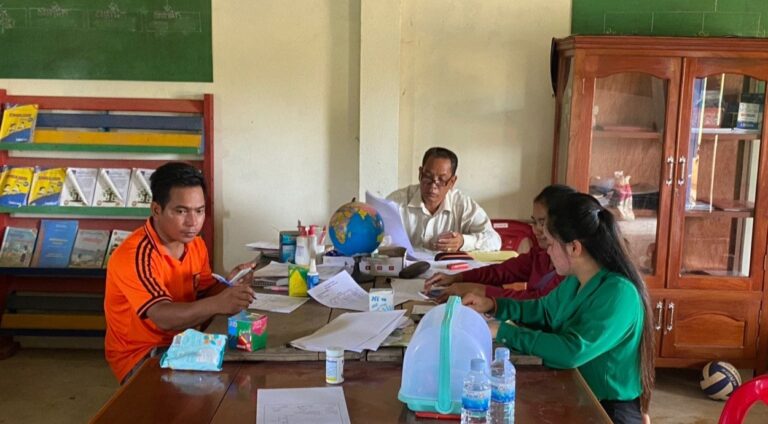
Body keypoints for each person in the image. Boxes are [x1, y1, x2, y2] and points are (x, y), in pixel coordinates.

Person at [462, 192, 654, 423]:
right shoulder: (576, 281)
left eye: (551, 244)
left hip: (609, 411)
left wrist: (504, 331)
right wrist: (494, 305)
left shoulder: (619, 293)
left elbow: (572, 352)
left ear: (574, 248)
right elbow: (543, 310)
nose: (548, 251)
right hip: (580, 394)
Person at [104, 162, 256, 384]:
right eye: (181, 211)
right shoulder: (136, 255)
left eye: (199, 211)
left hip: (186, 340)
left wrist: (231, 284)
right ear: (156, 210)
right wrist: (219, 303)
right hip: (144, 353)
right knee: (226, 384)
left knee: (248, 368)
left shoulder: (195, 244)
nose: (193, 222)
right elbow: (163, 317)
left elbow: (204, 293)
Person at [424, 184, 576, 301]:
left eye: (542, 223)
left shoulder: (571, 269)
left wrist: (478, 290)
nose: (536, 230)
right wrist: (458, 277)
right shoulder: (540, 254)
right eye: (534, 222)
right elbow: (500, 272)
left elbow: (538, 303)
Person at [386, 147, 501, 252]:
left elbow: (494, 240)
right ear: (420, 173)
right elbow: (379, 238)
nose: (433, 186)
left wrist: (463, 242)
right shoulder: (396, 202)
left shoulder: (462, 205)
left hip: (446, 268)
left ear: (452, 182)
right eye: (428, 177)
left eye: (441, 180)